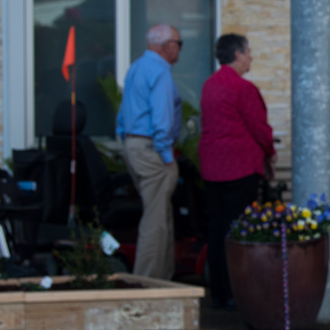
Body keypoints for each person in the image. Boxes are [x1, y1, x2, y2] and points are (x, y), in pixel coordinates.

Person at [198, 33, 276, 307]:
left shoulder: (209, 85)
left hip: (211, 167)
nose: (251, 57)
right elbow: (260, 129)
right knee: (239, 230)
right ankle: (237, 291)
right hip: (240, 166)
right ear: (238, 55)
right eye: (248, 52)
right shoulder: (242, 88)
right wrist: (270, 154)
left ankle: (219, 290)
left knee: (217, 228)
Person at [116, 24, 183, 280]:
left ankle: (163, 279)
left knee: (159, 214)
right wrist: (166, 157)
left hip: (135, 146)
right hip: (152, 149)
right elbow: (162, 120)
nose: (179, 49)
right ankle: (146, 283)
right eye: (178, 43)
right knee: (155, 221)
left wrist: (126, 140)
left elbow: (122, 115)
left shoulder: (136, 67)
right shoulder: (160, 72)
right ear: (166, 45)